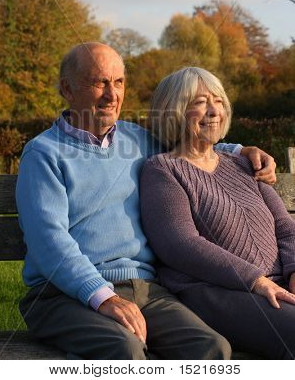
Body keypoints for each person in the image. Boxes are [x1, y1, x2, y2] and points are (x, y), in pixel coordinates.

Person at [16, 43, 275, 360]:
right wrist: (103, 298)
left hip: (146, 290)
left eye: (119, 82)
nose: (112, 95)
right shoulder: (43, 154)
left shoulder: (137, 139)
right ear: (67, 89)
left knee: (211, 349)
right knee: (125, 350)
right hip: (63, 295)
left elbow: (192, 144)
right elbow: (48, 239)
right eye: (99, 82)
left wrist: (240, 151)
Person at [140, 66, 295, 360]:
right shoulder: (163, 169)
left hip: (274, 285)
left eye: (219, 101)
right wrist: (257, 280)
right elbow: (180, 244)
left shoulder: (242, 165)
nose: (213, 111)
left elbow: (285, 226)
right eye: (199, 103)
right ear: (174, 111)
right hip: (214, 292)